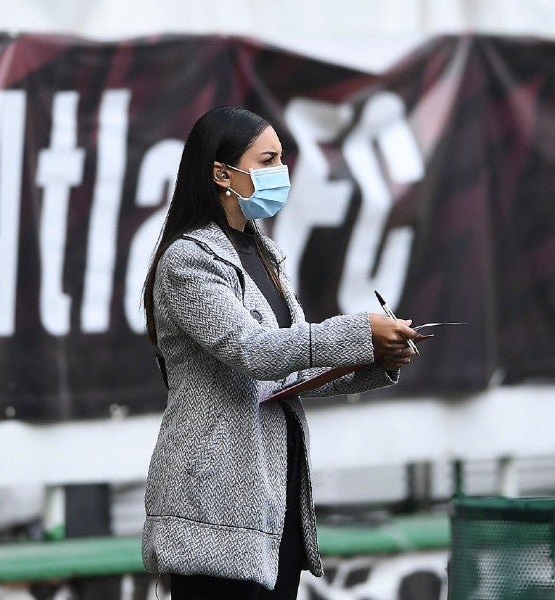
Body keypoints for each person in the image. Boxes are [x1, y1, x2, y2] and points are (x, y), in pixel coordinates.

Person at [140, 106, 420, 599]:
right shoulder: (188, 260)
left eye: (282, 160)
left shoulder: (264, 253)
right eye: (267, 160)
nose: (281, 174)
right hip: (214, 507)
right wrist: (359, 331)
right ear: (222, 173)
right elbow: (256, 352)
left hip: (274, 502)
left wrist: (376, 359)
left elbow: (289, 370)